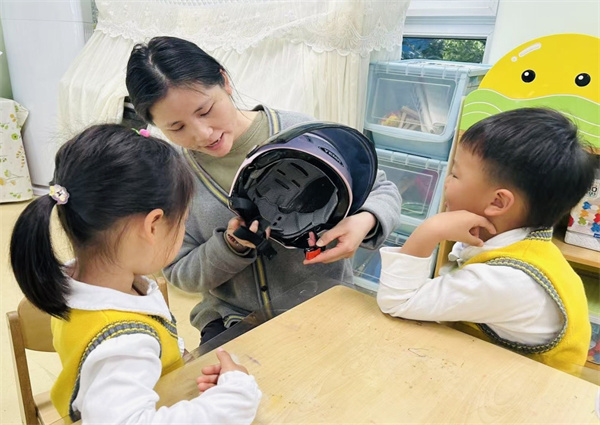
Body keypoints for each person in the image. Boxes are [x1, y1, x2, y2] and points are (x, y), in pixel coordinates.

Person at [125, 36, 402, 344]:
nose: (202, 134)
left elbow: (383, 189)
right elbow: (180, 273)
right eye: (177, 127)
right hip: (232, 319)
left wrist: (364, 220)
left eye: (205, 111)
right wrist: (231, 247)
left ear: (224, 81)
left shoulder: (299, 133)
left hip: (324, 304)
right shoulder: (173, 177)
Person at [9, 125, 262, 424]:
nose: (182, 230)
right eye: (182, 222)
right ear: (153, 225)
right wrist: (236, 394)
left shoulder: (80, 283)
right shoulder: (123, 344)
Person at [377, 108, 597, 375]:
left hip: (520, 390)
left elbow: (397, 301)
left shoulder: (506, 280)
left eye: (455, 174)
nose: (446, 182)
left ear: (498, 202)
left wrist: (430, 230)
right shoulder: (528, 243)